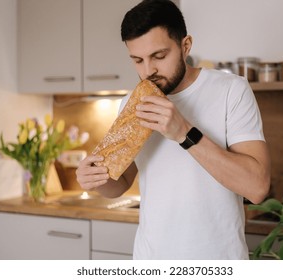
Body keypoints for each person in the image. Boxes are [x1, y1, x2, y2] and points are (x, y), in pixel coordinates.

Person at [76, 0, 271, 260]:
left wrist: (184, 133)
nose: (148, 71)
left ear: (185, 45)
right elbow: (120, 184)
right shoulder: (132, 103)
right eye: (137, 60)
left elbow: (257, 188)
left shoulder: (231, 91)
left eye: (159, 56)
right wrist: (96, 180)